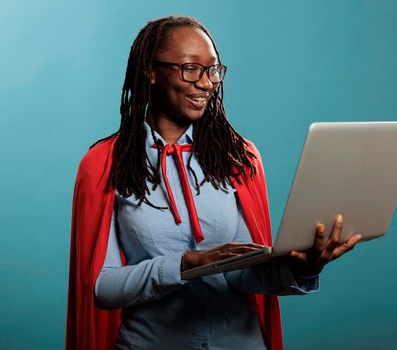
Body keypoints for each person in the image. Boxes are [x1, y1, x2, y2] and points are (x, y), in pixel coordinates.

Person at [65, 16, 361, 350]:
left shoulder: (238, 157)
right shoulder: (106, 164)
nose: (206, 83)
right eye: (191, 68)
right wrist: (187, 264)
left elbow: (242, 273)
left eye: (213, 70)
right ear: (150, 71)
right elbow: (102, 288)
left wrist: (301, 268)